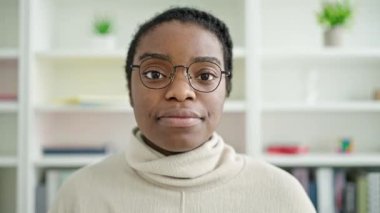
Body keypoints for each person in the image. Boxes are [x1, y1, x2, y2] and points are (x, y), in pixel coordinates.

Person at [49, 7, 316, 213]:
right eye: (154, 73)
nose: (180, 91)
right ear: (129, 89)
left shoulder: (281, 195)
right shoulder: (80, 195)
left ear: (227, 89)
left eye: (205, 75)